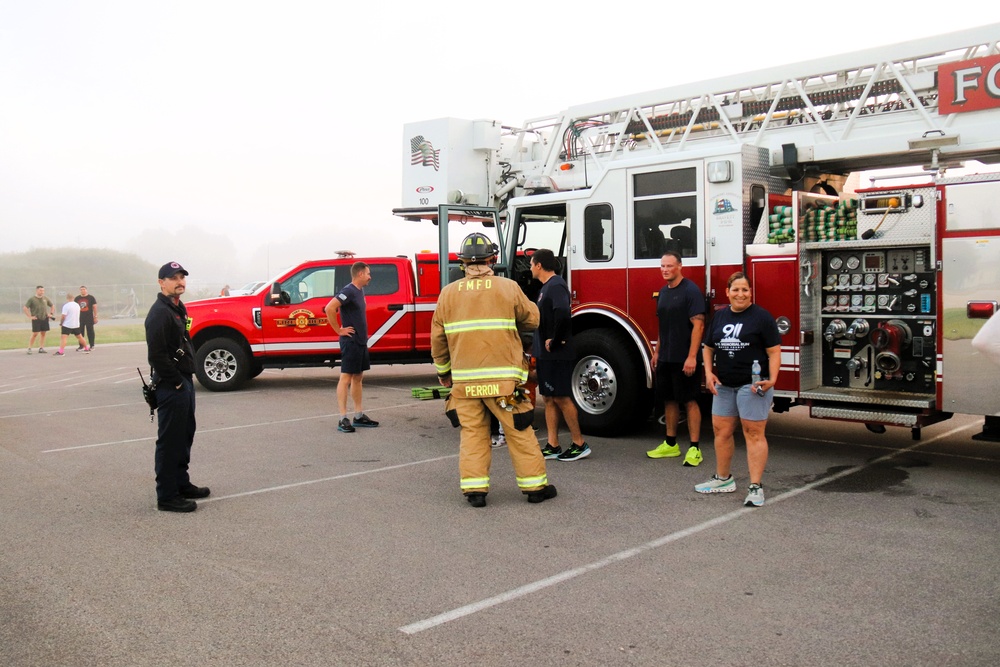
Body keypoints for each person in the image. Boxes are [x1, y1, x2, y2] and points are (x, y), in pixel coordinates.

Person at [431, 232, 556, 507]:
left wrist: (444, 372)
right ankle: (535, 488)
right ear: (492, 259)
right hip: (505, 385)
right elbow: (533, 319)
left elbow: (438, 341)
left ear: (462, 263)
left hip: (464, 386)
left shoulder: (447, 294)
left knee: (473, 434)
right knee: (519, 432)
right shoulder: (508, 287)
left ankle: (475, 492)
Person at [696, 271, 781, 508]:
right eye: (735, 290)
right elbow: (708, 347)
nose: (740, 294)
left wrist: (772, 378)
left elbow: (774, 351)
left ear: (751, 292)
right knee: (721, 432)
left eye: (745, 289)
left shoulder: (762, 318)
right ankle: (723, 479)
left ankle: (755, 487)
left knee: (753, 433)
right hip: (724, 385)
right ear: (727, 292)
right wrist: (709, 372)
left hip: (752, 385)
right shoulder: (720, 317)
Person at [145, 261, 209, 513]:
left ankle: (181, 483)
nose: (179, 281)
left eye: (182, 276)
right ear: (161, 282)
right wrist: (176, 382)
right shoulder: (159, 313)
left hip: (183, 380)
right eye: (173, 277)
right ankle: (167, 496)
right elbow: (157, 356)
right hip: (171, 384)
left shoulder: (177, 307)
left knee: (184, 435)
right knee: (170, 440)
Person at [646, 250, 706, 466]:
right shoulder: (663, 292)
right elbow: (663, 326)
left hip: (685, 358)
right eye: (662, 266)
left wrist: (691, 357)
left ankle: (694, 448)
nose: (665, 269)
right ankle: (670, 445)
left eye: (669, 266)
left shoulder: (691, 291)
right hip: (666, 358)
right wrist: (657, 351)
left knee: (690, 401)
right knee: (668, 400)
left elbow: (698, 326)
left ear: (680, 266)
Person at [530, 248, 590, 462]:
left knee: (562, 397)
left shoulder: (556, 286)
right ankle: (553, 445)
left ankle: (579, 444)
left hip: (556, 353)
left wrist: (555, 340)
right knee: (548, 398)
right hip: (545, 354)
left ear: (539, 265)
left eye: (531, 264)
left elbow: (563, 314)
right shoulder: (546, 287)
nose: (529, 268)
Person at [325, 261, 379, 433]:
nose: (370, 277)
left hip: (361, 342)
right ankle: (343, 418)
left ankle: (358, 415)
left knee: (358, 378)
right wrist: (338, 330)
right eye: (368, 273)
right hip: (351, 342)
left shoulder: (359, 290)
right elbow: (329, 308)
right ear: (360, 274)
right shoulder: (348, 290)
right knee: (346, 378)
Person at [23, 285, 54, 354]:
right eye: (40, 290)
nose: (42, 292)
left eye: (43, 290)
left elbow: (52, 305)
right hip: (36, 318)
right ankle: (29, 348)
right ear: (37, 290)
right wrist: (30, 316)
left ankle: (41, 348)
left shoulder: (45, 298)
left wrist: (51, 313)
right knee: (35, 333)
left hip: (44, 318)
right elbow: (25, 308)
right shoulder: (32, 299)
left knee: (43, 333)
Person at [74, 286, 98, 350]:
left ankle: (92, 345)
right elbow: (74, 308)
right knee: (80, 332)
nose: (83, 291)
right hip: (80, 317)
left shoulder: (91, 298)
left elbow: (95, 307)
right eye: (81, 290)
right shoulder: (77, 298)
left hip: (89, 317)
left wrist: (95, 316)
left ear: (86, 290)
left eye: (84, 289)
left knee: (90, 331)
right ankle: (81, 346)